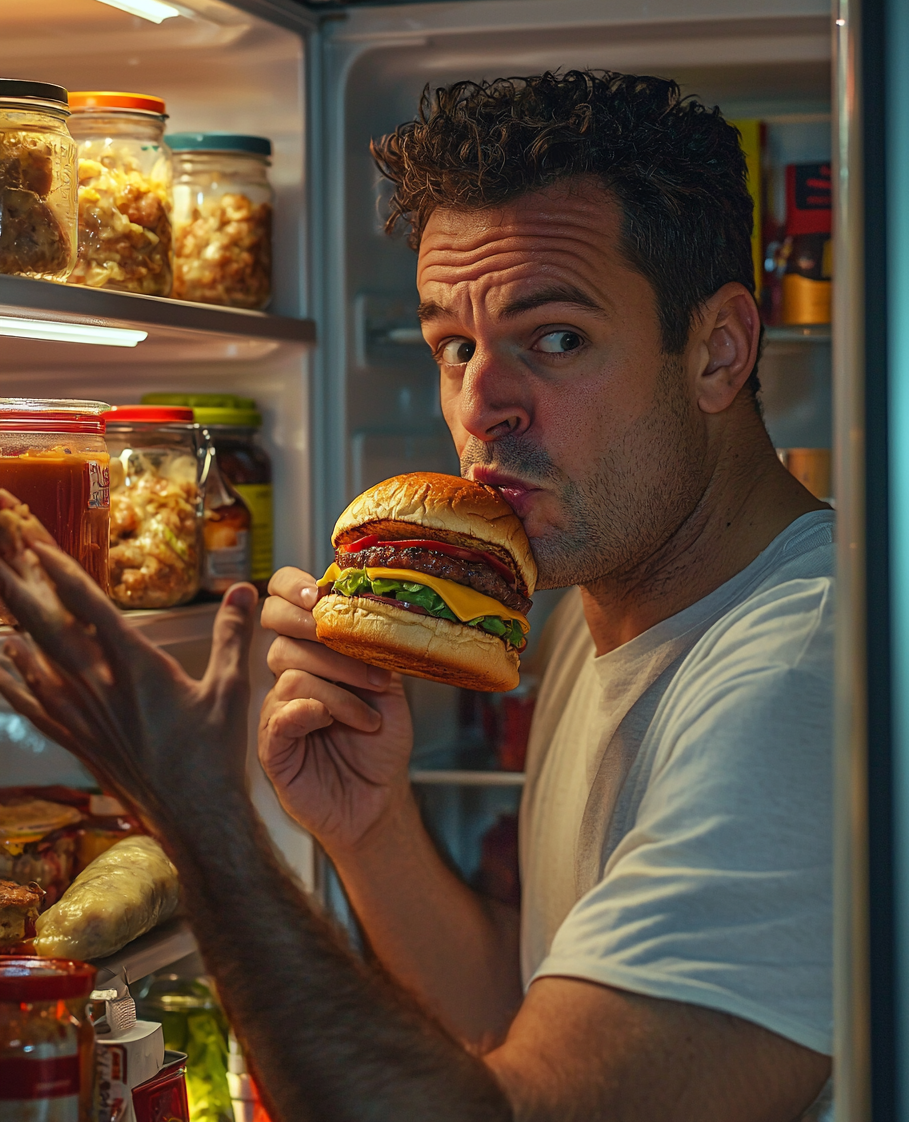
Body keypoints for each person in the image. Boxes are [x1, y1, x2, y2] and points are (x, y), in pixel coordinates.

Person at [0, 72, 833, 1122]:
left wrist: (201, 819)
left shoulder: (798, 686)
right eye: (455, 345)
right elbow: (511, 1017)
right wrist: (369, 823)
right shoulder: (600, 603)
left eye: (558, 338)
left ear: (720, 350)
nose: (481, 405)